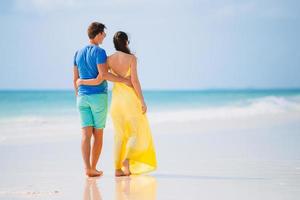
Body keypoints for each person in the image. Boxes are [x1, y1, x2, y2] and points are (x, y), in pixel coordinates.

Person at [77, 31, 157, 176]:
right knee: (135, 132)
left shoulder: (108, 59)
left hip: (116, 101)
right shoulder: (132, 59)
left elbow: (104, 75)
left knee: (119, 135)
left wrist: (82, 82)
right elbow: (135, 81)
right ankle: (127, 159)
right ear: (126, 42)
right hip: (130, 99)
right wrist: (142, 100)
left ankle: (117, 169)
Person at [73, 23, 131, 177]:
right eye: (104, 34)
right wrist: (124, 80)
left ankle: (87, 169)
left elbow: (75, 80)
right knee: (98, 134)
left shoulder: (78, 53)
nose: (105, 36)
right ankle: (93, 167)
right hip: (98, 97)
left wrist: (79, 94)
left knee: (85, 135)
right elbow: (103, 76)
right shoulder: (99, 52)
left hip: (81, 98)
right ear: (98, 34)